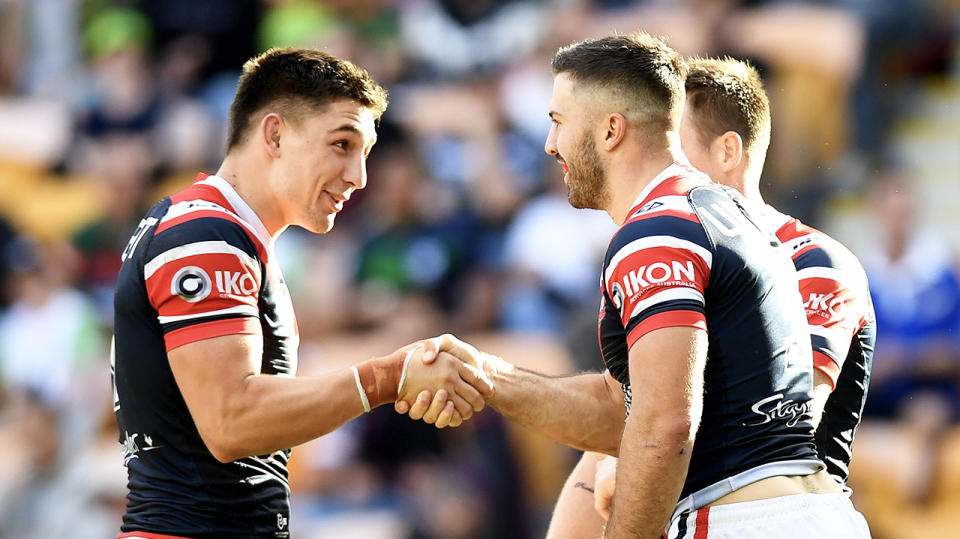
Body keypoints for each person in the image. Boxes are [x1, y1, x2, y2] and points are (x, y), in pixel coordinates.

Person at [400, 34, 867, 538]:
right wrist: (487, 378)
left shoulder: (658, 231)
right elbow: (622, 408)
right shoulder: (726, 216)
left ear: (610, 130)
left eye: (557, 121)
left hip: (740, 517)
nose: (549, 144)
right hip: (790, 514)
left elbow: (665, 427)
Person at [111, 47, 493, 539]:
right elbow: (232, 422)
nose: (359, 177)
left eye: (366, 153)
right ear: (274, 134)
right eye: (341, 144)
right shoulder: (206, 236)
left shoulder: (224, 234)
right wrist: (389, 379)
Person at [545, 56, 877, 537]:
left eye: (671, 145)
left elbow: (789, 413)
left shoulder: (817, 261)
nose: (654, 160)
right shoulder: (664, 252)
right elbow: (623, 425)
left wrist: (638, 465)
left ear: (728, 152)